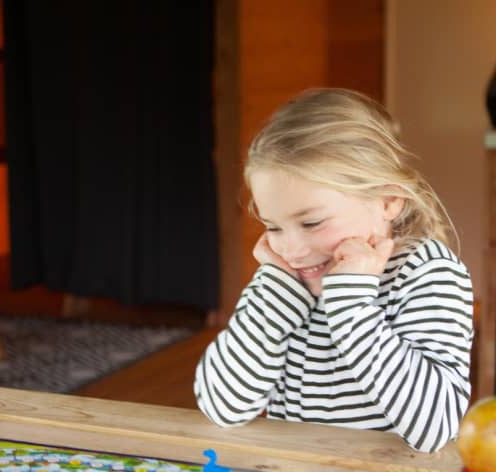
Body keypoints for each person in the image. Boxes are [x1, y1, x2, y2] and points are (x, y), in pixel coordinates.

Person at [195, 88, 474, 453]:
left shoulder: (428, 274)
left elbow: (436, 427)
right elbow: (222, 407)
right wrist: (276, 297)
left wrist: (351, 306)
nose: (292, 249)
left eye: (311, 223)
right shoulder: (283, 281)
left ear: (388, 201)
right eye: (274, 227)